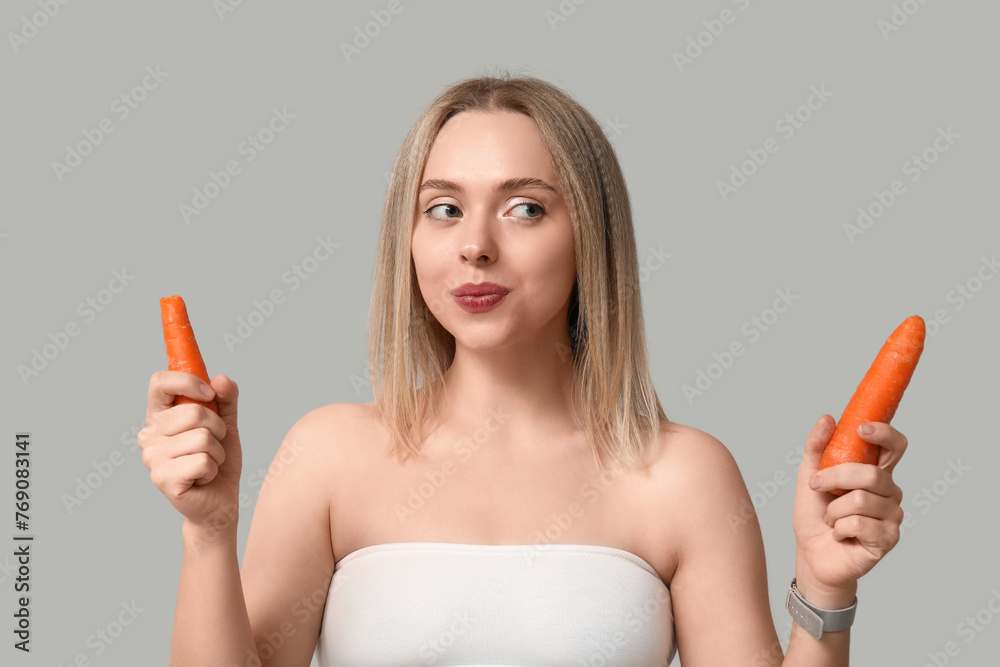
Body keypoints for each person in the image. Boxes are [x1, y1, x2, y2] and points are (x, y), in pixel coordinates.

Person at [140, 71, 907, 666]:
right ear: (407, 241)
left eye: (525, 208)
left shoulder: (683, 474)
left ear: (590, 239)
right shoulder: (329, 454)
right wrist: (209, 534)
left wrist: (826, 587)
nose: (475, 244)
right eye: (443, 208)